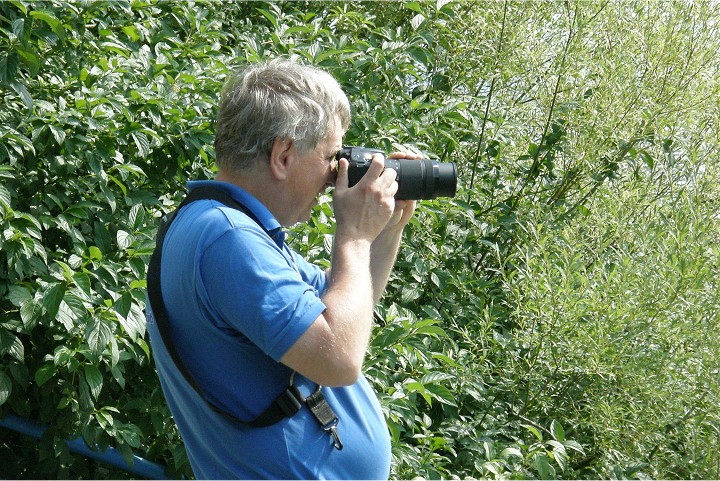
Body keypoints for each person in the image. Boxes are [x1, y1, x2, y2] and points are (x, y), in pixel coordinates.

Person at [145, 58, 420, 479]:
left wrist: (387, 227)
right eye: (331, 157)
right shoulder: (227, 239)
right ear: (283, 155)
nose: (335, 176)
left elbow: (345, 309)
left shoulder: (225, 227)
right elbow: (340, 358)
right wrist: (354, 237)